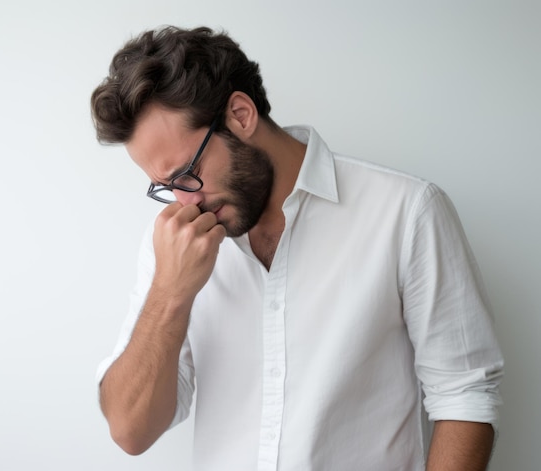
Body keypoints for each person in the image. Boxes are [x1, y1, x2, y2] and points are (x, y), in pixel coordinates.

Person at [90, 26, 504, 470]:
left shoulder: (405, 212)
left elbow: (466, 397)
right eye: (165, 187)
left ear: (241, 114)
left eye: (187, 173)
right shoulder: (172, 246)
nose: (185, 200)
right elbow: (131, 431)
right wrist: (170, 294)